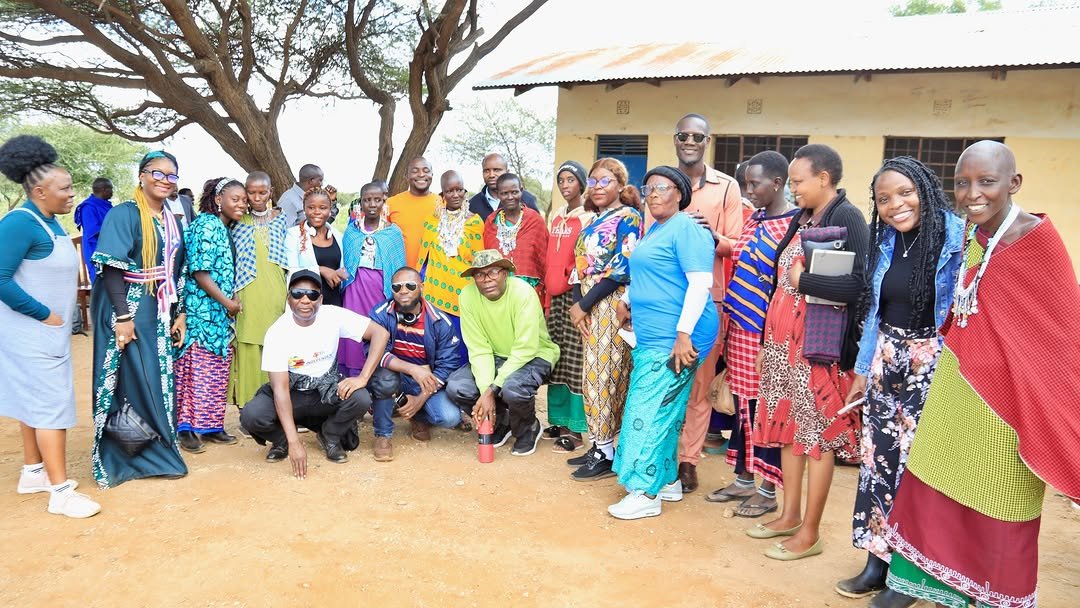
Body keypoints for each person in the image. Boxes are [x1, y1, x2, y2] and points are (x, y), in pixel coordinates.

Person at [882, 142, 1080, 608]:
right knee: (935, 483)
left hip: (1008, 405)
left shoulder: (1036, 242)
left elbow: (1062, 337)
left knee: (1000, 496)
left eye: (986, 182)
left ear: (1014, 184)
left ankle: (991, 596)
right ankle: (940, 591)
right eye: (962, 183)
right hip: (956, 389)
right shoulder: (976, 234)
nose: (972, 193)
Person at [832, 157, 964, 607]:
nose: (895, 205)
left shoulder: (957, 238)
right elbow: (876, 311)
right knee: (877, 463)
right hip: (887, 358)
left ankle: (911, 575)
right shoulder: (887, 239)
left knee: (916, 470)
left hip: (934, 364)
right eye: (884, 199)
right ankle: (878, 560)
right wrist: (863, 368)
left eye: (905, 193)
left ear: (925, 189)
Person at [748, 144, 868, 561]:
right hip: (782, 344)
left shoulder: (846, 217)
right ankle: (789, 514)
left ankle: (810, 533)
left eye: (799, 182)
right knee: (788, 428)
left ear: (824, 178)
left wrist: (806, 283)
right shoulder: (803, 217)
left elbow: (858, 285)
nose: (793, 189)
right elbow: (779, 284)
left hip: (816, 348)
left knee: (816, 436)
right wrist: (767, 343)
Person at [607, 166, 719, 519]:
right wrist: (627, 300)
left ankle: (645, 492)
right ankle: (668, 480)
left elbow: (700, 284)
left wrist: (683, 334)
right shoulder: (656, 228)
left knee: (648, 410)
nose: (653, 194)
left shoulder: (687, 228)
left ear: (680, 194)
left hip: (677, 337)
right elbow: (648, 273)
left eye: (662, 187)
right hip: (656, 333)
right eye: (648, 188)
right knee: (665, 410)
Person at [0, 135, 100, 518]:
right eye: (65, 188)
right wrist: (43, 313)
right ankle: (60, 492)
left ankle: (33, 472)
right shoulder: (19, 223)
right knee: (51, 408)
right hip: (31, 333)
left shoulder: (51, 223)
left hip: (46, 333)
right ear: (40, 191)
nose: (73, 194)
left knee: (34, 402)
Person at [706, 151, 799, 517]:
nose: (749, 190)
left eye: (755, 184)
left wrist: (769, 340)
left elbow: (786, 285)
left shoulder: (794, 226)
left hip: (768, 335)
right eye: (746, 183)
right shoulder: (755, 219)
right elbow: (740, 256)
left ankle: (767, 489)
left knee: (767, 409)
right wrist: (711, 234)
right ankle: (744, 479)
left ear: (777, 183)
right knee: (744, 407)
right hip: (740, 329)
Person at [89, 150, 188, 488]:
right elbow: (111, 267)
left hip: (158, 309)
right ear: (142, 176)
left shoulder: (171, 219)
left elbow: (176, 270)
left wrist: (179, 313)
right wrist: (122, 316)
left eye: (171, 176)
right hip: (128, 306)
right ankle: (127, 454)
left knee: (155, 380)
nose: (164, 180)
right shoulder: (124, 214)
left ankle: (155, 450)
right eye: (157, 173)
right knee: (129, 381)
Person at [663, 113, 745, 493]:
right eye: (684, 135)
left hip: (708, 301)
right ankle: (661, 454)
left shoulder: (727, 187)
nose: (690, 142)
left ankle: (688, 461)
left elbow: (736, 245)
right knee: (663, 379)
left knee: (698, 384)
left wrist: (710, 235)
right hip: (666, 300)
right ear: (675, 139)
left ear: (707, 142)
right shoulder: (661, 184)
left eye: (698, 136)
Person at [240, 270, 390, 472]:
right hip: (292, 393)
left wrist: (363, 378)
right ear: (288, 298)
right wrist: (294, 442)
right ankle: (282, 440)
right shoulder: (277, 332)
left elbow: (380, 333)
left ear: (320, 299)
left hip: (326, 391)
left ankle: (330, 435)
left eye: (312, 295)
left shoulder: (332, 315)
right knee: (252, 415)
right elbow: (281, 390)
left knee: (361, 398)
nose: (305, 300)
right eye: (297, 294)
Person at [567, 158, 643, 480]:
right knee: (592, 374)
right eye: (593, 181)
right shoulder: (594, 219)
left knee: (605, 376)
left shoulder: (629, 217)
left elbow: (622, 268)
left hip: (609, 302)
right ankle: (600, 444)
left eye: (605, 181)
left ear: (620, 186)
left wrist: (584, 304)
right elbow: (579, 265)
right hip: (588, 303)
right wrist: (577, 304)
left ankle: (606, 451)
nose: (597, 187)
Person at [446, 250, 560, 456]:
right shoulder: (467, 296)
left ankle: (528, 428)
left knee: (512, 389)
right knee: (457, 387)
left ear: (505, 274)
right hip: (495, 356)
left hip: (534, 354)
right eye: (479, 274)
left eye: (493, 272)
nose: (486, 279)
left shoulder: (523, 293)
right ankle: (501, 421)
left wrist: (491, 390)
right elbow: (479, 349)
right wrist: (485, 392)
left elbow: (525, 348)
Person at [174, 178, 246, 454]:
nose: (242, 204)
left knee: (215, 370)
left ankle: (211, 426)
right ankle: (186, 429)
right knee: (195, 370)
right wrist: (229, 303)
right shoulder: (205, 225)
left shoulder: (224, 227)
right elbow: (200, 272)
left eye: (244, 200)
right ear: (218, 199)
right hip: (200, 311)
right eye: (235, 199)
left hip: (219, 314)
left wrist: (230, 301)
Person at [367, 267, 466, 460]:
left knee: (449, 417)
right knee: (384, 379)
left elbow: (447, 365)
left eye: (410, 286)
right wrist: (413, 369)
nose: (403, 291)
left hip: (426, 381)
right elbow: (375, 353)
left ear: (422, 287)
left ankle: (417, 415)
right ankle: (383, 435)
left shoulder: (440, 321)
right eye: (397, 287)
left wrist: (420, 398)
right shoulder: (380, 314)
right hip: (395, 376)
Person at [540, 161, 595, 453]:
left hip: (575, 296)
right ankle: (558, 421)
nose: (564, 185)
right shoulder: (557, 215)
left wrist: (579, 299)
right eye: (561, 180)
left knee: (575, 362)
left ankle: (575, 429)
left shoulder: (588, 217)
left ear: (582, 183)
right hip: (555, 297)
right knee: (556, 358)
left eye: (571, 179)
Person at [229, 171, 289, 409]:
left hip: (276, 289)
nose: (256, 198)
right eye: (251, 193)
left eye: (262, 192)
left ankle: (276, 403)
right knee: (248, 342)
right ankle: (248, 404)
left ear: (270, 192)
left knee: (274, 342)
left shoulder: (281, 219)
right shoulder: (237, 221)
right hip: (246, 290)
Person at [339, 183, 406, 376]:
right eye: (367, 200)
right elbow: (347, 260)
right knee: (353, 327)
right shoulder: (352, 231)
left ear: (384, 201)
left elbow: (398, 265)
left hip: (380, 288)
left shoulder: (393, 232)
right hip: (355, 287)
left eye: (377, 200)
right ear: (361, 202)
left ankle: (379, 374)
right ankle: (352, 373)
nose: (372, 204)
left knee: (379, 325)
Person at [418, 170, 485, 363]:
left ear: (465, 191)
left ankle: (460, 377)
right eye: (449, 191)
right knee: (436, 339)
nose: (455, 195)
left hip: (463, 292)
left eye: (459, 190)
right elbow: (424, 257)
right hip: (435, 291)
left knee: (461, 341)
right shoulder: (432, 221)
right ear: (443, 194)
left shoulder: (474, 222)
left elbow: (478, 260)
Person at [483, 173, 548, 295]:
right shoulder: (491, 222)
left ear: (521, 191)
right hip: (498, 293)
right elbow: (487, 260)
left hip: (530, 293)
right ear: (498, 194)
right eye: (504, 193)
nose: (510, 197)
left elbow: (544, 260)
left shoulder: (535, 221)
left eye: (514, 192)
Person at [285, 187, 346, 306]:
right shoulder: (293, 235)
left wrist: (342, 273)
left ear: (330, 210)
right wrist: (320, 269)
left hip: (335, 302)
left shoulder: (338, 235)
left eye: (322, 208)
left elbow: (343, 267)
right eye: (311, 207)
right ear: (304, 209)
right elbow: (291, 270)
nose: (317, 212)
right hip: (306, 304)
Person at [386, 157, 439, 268]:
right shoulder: (391, 203)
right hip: (399, 272)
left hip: (432, 273)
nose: (421, 174)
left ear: (432, 175)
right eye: (415, 171)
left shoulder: (442, 204)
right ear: (406, 176)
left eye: (426, 171)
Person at [467, 153, 540, 221]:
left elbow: (537, 226)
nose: (491, 175)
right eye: (486, 171)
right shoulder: (473, 204)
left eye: (496, 170)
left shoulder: (526, 199)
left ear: (507, 172)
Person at [73, 177, 113, 283]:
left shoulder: (106, 205)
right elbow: (93, 230)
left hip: (110, 250)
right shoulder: (88, 207)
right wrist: (117, 230)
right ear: (104, 189)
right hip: (96, 249)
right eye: (111, 189)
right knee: (100, 283)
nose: (112, 192)